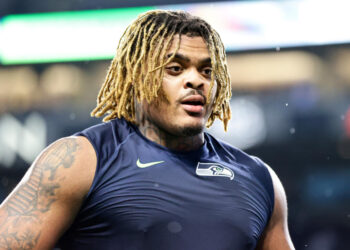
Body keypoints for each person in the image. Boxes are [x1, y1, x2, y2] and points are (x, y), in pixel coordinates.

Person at [0, 10, 294, 250]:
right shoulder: (80, 161)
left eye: (207, 71)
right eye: (175, 69)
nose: (196, 81)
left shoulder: (259, 179)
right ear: (136, 78)